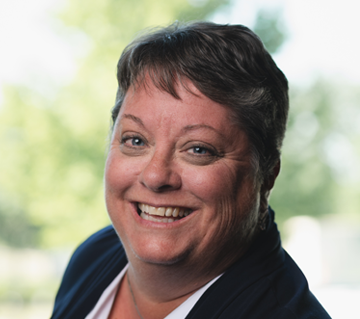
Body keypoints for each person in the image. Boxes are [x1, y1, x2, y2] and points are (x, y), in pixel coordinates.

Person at [51, 22, 331, 318]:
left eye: (199, 149)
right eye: (135, 140)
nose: (156, 176)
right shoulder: (95, 256)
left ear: (266, 177)